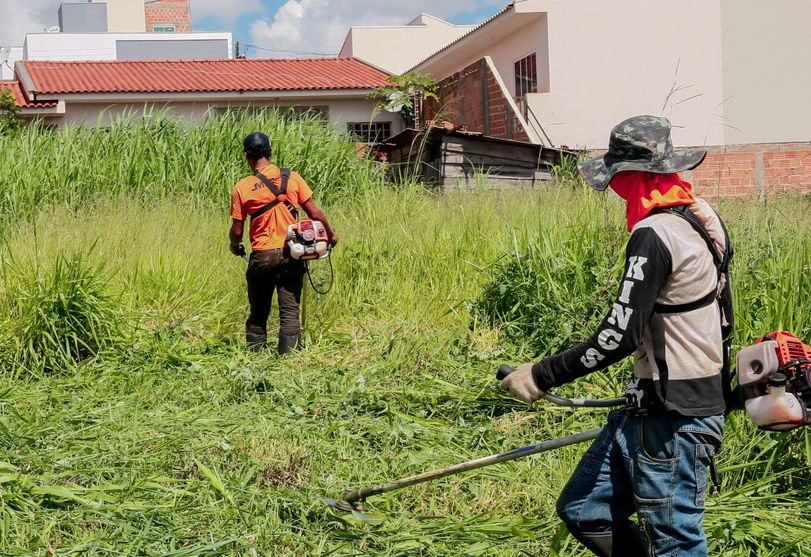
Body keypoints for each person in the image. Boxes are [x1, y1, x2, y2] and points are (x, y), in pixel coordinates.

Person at [500, 115, 733, 557]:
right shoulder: (701, 220)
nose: (613, 191)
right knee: (585, 507)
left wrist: (540, 376)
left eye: (616, 180)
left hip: (674, 418)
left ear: (631, 177)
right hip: (652, 405)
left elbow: (617, 336)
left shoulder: (656, 233)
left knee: (675, 542)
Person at [229, 132, 338, 354]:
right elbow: (315, 213)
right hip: (293, 252)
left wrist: (234, 245)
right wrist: (331, 234)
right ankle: (289, 361)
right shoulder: (293, 178)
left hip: (262, 256)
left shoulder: (242, 187)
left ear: (247, 157)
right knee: (290, 309)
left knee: (259, 311)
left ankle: (256, 360)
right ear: (270, 152)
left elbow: (237, 230)